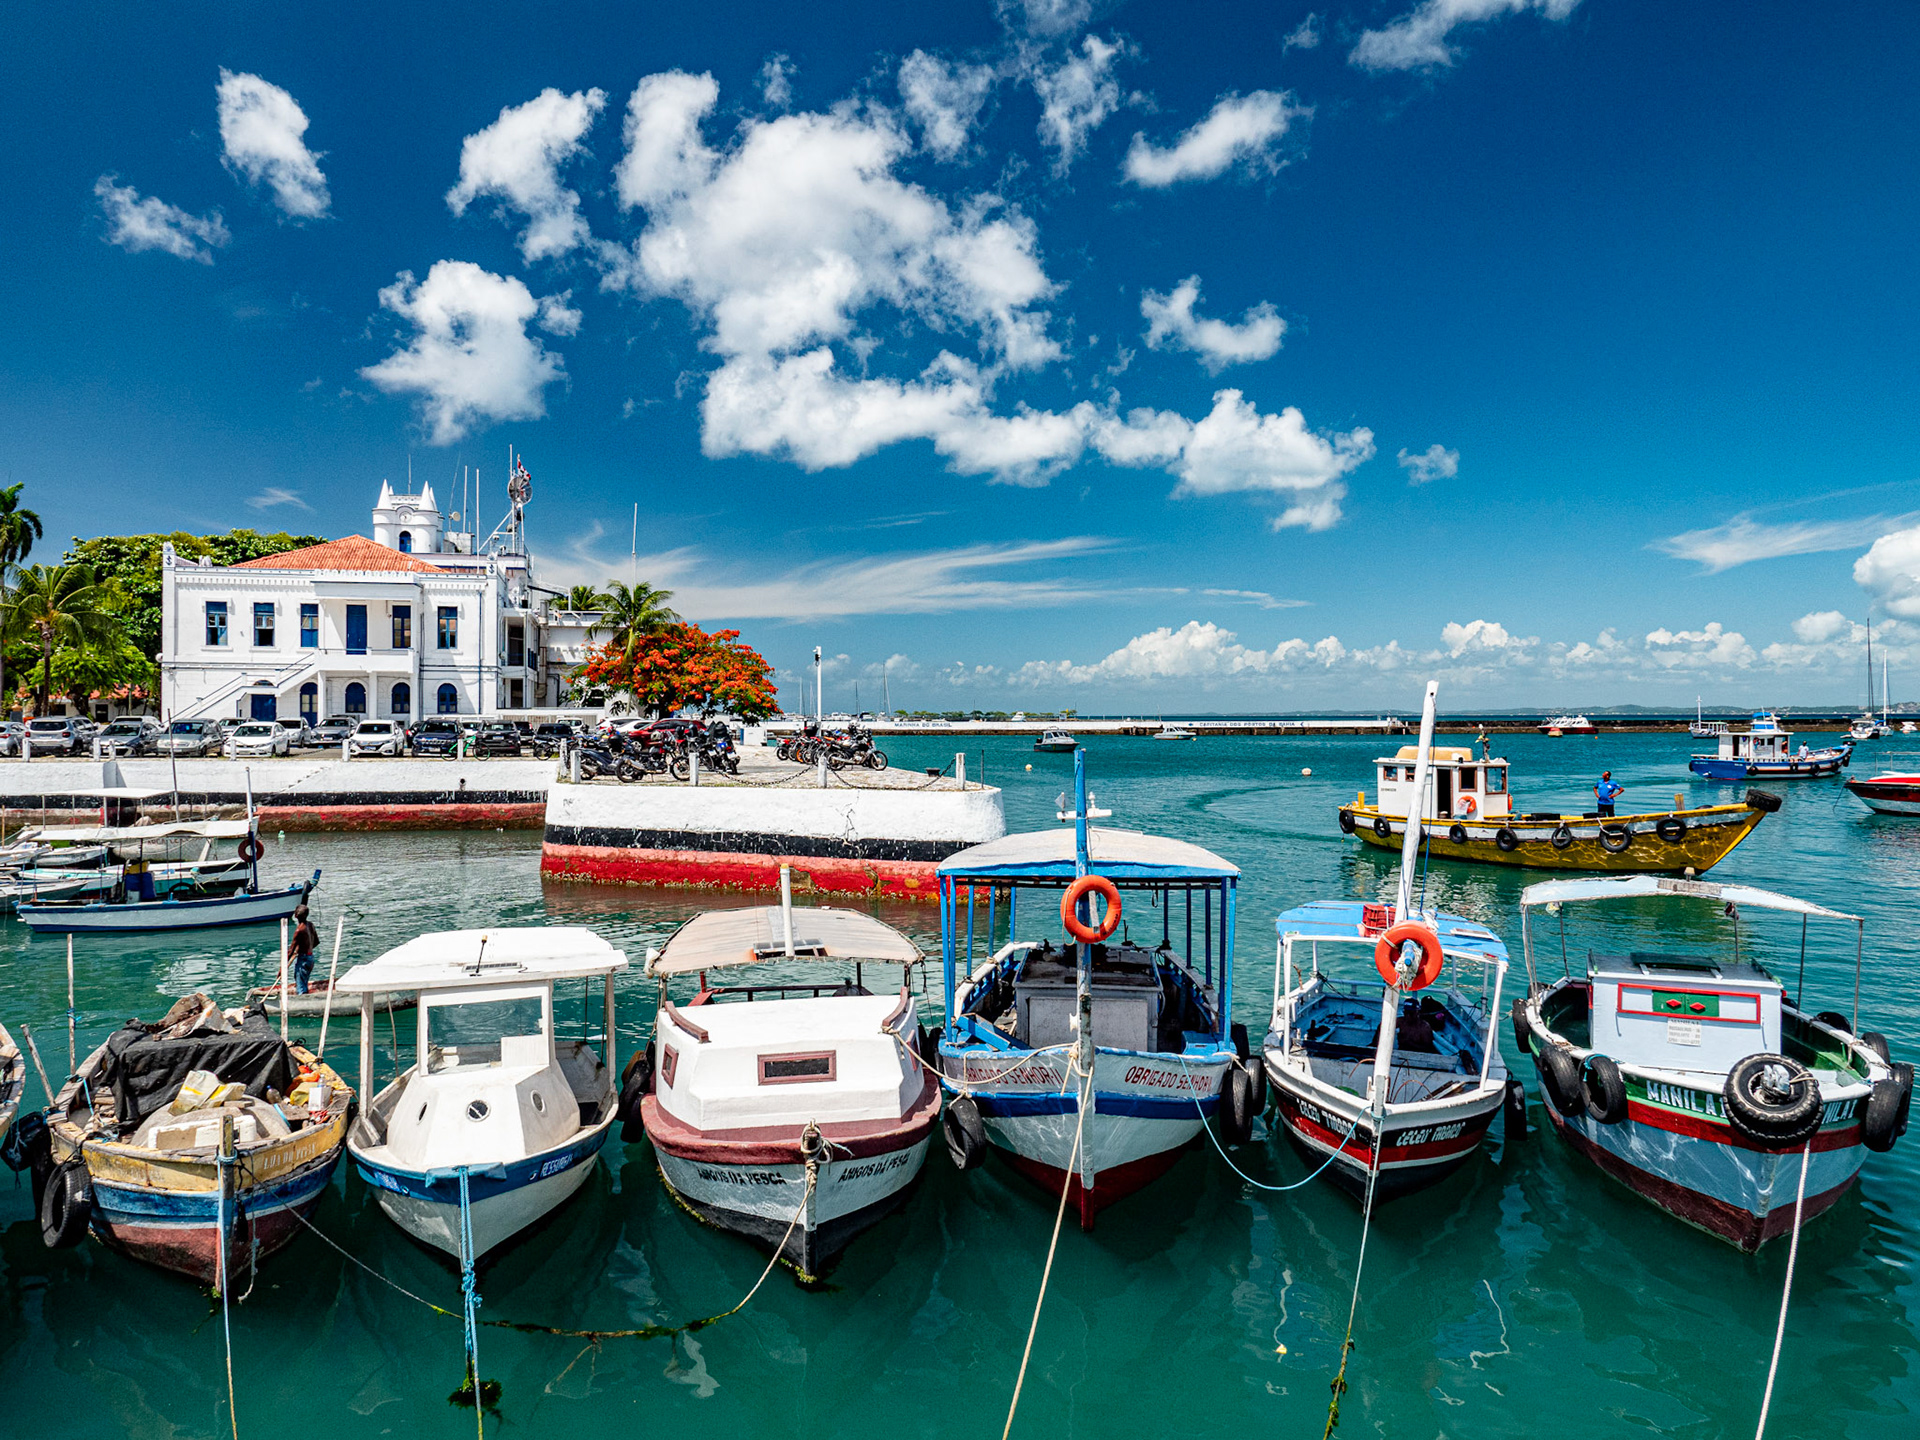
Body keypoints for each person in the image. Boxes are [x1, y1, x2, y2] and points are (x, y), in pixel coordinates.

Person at [287, 903, 319, 995]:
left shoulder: (299, 930)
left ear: (296, 915)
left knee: (300, 985)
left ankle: (302, 1001)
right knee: (303, 982)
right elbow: (315, 942)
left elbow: (290, 951)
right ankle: (306, 996)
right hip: (310, 958)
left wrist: (282, 968)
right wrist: (305, 948)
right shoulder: (311, 925)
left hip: (303, 959)